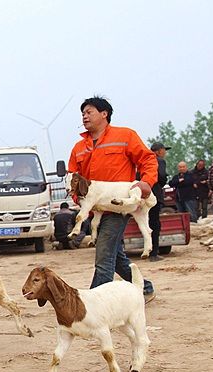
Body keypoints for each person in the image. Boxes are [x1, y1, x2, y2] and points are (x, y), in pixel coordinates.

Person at [67, 96, 157, 303]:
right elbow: (73, 177)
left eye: (89, 112)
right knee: (114, 256)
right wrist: (78, 199)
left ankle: (93, 301)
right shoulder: (79, 147)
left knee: (104, 254)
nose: (84, 116)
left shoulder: (125, 136)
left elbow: (147, 159)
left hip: (118, 207)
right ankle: (145, 287)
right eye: (83, 113)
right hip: (95, 209)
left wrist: (146, 183)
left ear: (104, 113)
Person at [148, 142, 170, 261]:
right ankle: (154, 253)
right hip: (154, 194)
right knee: (155, 224)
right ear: (158, 151)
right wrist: (160, 185)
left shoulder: (142, 160)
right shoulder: (159, 161)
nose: (164, 152)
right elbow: (161, 176)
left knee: (144, 222)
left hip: (141, 194)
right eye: (163, 150)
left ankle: (148, 249)